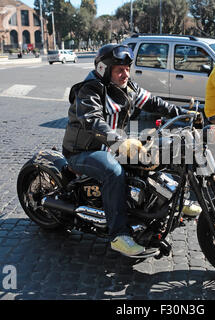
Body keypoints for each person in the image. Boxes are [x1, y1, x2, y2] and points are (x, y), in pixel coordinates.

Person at [62, 44, 201, 257]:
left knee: (153, 155)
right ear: (103, 69)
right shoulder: (89, 90)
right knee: (113, 171)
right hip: (83, 150)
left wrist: (183, 113)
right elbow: (92, 121)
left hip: (114, 144)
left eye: (127, 68)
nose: (125, 73)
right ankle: (119, 235)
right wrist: (119, 140)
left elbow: (154, 102)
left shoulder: (128, 88)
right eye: (119, 69)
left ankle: (168, 201)